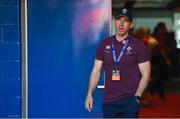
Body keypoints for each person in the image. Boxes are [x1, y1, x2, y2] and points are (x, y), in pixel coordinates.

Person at [85, 8, 151, 118]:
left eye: (125, 20)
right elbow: (96, 71)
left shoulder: (138, 46)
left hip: (130, 100)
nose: (121, 24)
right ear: (114, 22)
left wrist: (138, 96)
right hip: (109, 101)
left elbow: (146, 74)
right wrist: (89, 93)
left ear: (131, 25)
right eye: (119, 19)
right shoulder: (104, 44)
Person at [150, 22, 171, 100]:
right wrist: (166, 59)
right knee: (163, 76)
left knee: (160, 76)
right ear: (161, 28)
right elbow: (161, 48)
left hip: (157, 58)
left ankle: (157, 92)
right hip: (159, 58)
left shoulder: (157, 36)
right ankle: (155, 91)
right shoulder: (158, 36)